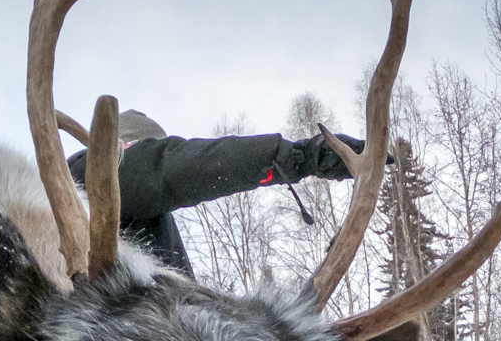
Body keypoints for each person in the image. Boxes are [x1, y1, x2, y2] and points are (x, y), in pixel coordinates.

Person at [66, 110, 377, 278]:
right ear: (122, 147)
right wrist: (300, 156)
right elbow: (174, 168)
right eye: (145, 149)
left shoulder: (137, 222)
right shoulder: (94, 175)